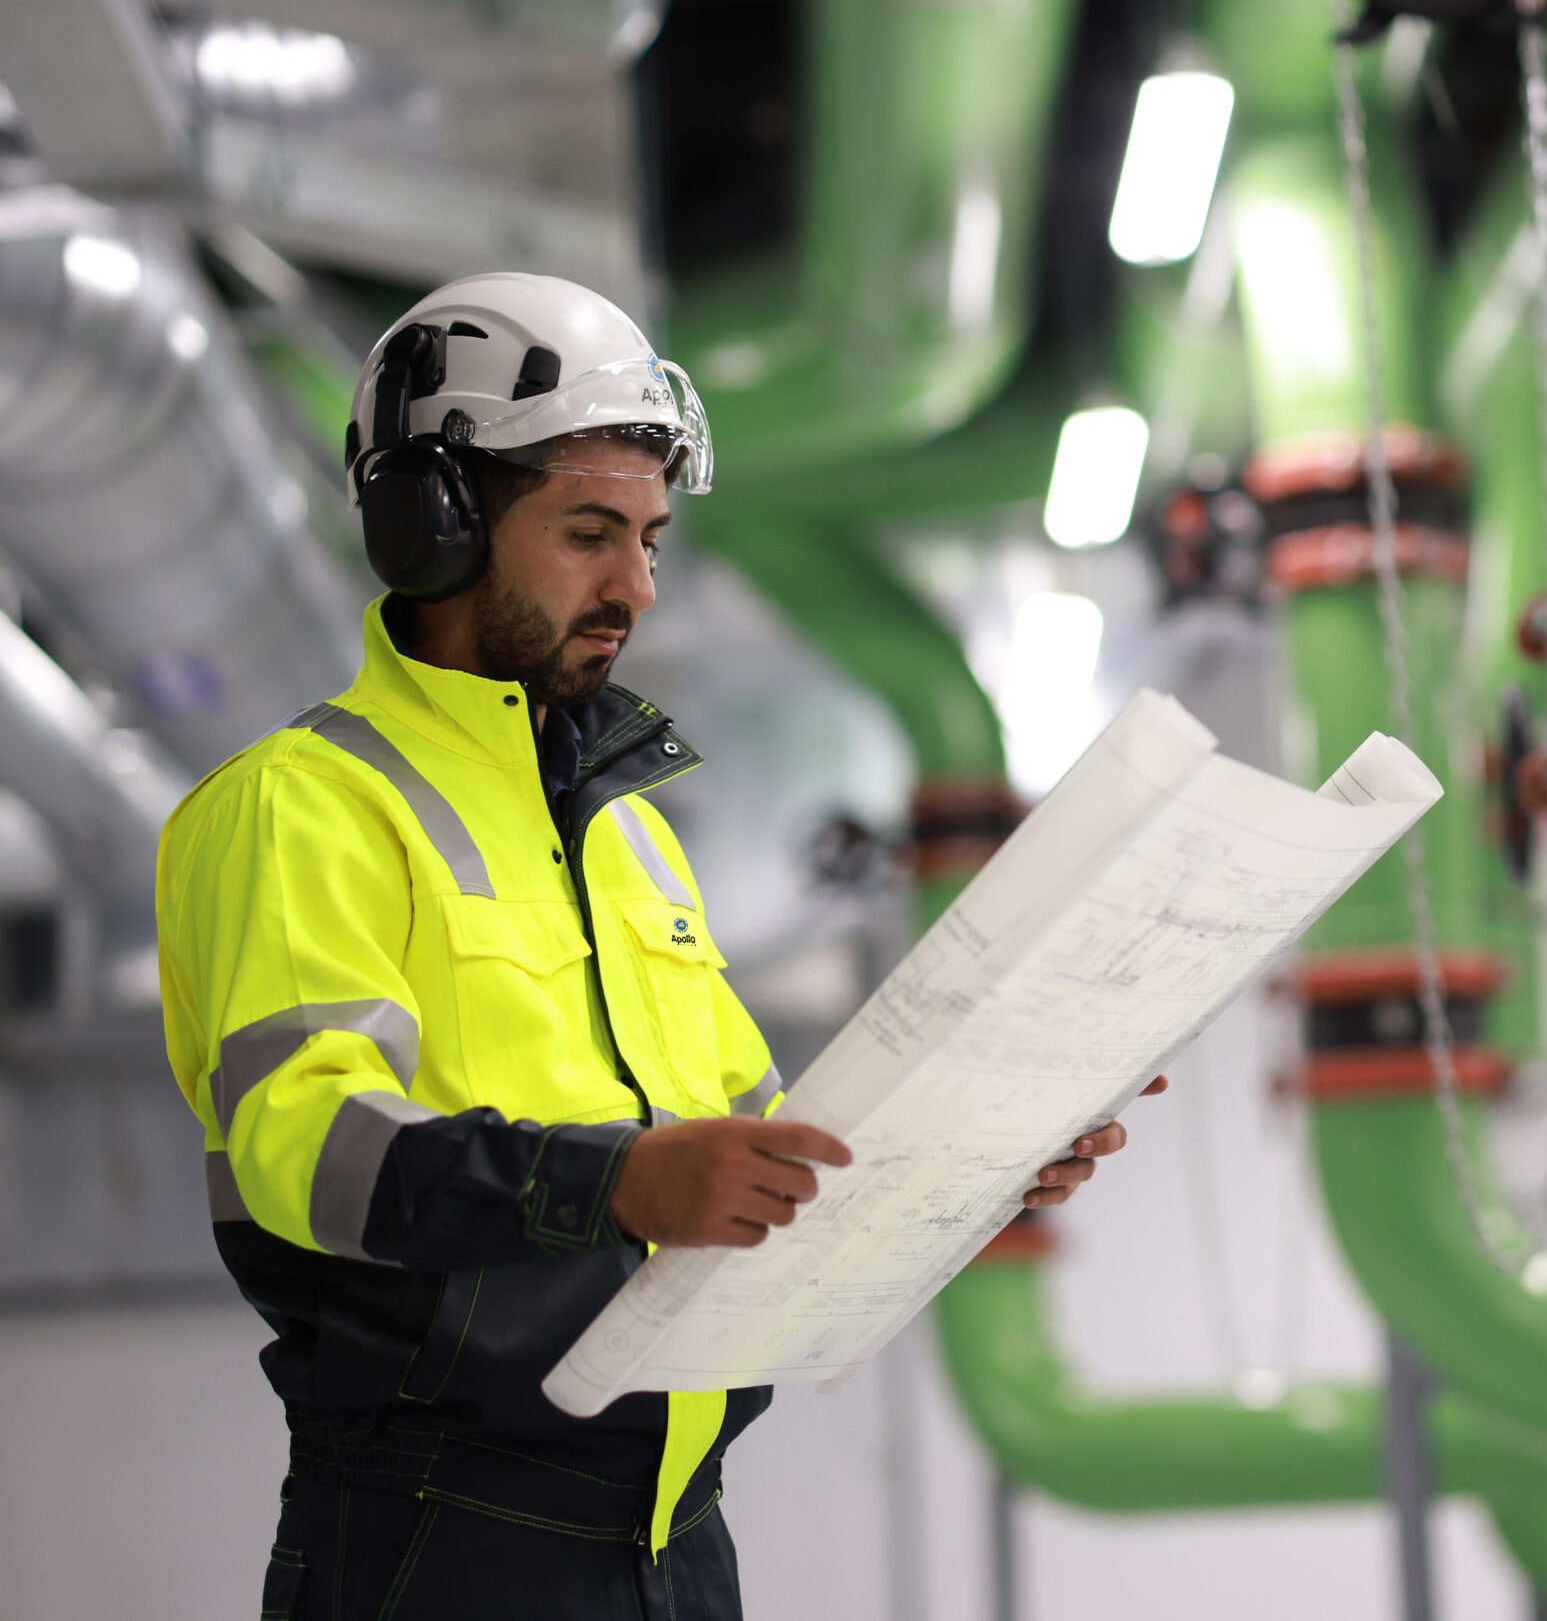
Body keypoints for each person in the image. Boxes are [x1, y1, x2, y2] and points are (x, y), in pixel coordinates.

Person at [155, 272, 1159, 1619]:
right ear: (434, 525)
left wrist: (973, 1169)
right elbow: (307, 1156)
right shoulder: (304, 807)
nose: (634, 583)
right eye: (587, 531)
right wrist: (617, 1186)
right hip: (440, 1550)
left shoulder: (628, 843)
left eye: (651, 538)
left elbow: (750, 1164)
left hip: (676, 1549)